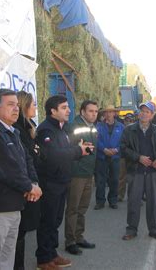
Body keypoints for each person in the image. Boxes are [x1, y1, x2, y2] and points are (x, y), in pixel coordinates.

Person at [0, 89, 42, 270]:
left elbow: (27, 160)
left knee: (7, 257)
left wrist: (34, 183)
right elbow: (6, 168)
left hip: (16, 205)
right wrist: (28, 186)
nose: (16, 109)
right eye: (10, 105)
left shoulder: (13, 132)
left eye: (17, 105)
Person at [35, 95, 91, 270]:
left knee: (56, 221)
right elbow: (53, 156)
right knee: (47, 222)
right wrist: (78, 151)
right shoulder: (46, 130)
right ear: (53, 111)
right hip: (50, 182)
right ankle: (43, 259)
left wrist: (80, 147)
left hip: (62, 181)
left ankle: (51, 254)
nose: (68, 110)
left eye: (68, 107)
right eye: (64, 107)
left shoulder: (62, 128)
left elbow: (65, 150)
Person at [120, 101, 156, 240]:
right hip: (135, 171)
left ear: (152, 115)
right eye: (142, 111)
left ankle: (154, 229)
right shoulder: (129, 130)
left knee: (154, 202)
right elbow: (123, 148)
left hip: (153, 173)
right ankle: (131, 230)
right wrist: (138, 157)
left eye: (147, 112)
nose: (143, 114)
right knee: (133, 201)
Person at [64, 100, 98, 255]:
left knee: (82, 208)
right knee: (73, 208)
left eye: (96, 111)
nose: (93, 114)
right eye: (90, 111)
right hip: (77, 174)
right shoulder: (74, 126)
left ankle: (79, 237)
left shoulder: (93, 127)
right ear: (82, 111)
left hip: (88, 173)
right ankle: (70, 241)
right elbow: (68, 149)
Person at [13, 91, 41, 270]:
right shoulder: (18, 129)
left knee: (20, 234)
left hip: (31, 183)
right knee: (17, 234)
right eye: (33, 105)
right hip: (22, 188)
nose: (36, 108)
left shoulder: (29, 126)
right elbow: (24, 158)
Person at [95, 105, 125, 210]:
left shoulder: (121, 127)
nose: (108, 114)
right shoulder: (98, 126)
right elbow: (96, 141)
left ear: (114, 113)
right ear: (104, 114)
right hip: (101, 156)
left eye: (111, 112)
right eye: (106, 112)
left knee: (115, 180)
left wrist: (116, 150)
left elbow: (124, 142)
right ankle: (100, 201)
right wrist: (104, 150)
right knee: (100, 180)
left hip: (115, 157)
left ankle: (113, 200)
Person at [118, 113, 136, 201]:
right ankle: (120, 195)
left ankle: (134, 196)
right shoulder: (120, 129)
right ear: (124, 121)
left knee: (134, 178)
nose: (129, 122)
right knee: (122, 177)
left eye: (131, 120)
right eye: (127, 120)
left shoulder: (136, 130)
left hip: (133, 157)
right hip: (122, 156)